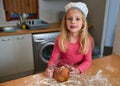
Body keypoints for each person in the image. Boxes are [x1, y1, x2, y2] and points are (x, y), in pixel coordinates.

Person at [46, 2, 94, 76]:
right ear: (65, 21)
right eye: (69, 19)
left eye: (77, 19)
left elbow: (88, 61)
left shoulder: (86, 40)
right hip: (63, 70)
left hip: (78, 70)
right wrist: (50, 68)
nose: (73, 22)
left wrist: (77, 70)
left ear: (83, 23)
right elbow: (53, 59)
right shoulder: (60, 39)